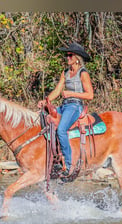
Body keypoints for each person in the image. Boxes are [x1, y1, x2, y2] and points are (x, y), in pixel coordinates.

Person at [38, 42, 94, 176]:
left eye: (70, 55)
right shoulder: (66, 72)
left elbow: (90, 95)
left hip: (75, 106)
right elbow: (57, 90)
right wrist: (46, 101)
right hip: (64, 106)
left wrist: (71, 94)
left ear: (77, 58)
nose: (67, 58)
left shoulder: (83, 73)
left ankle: (69, 165)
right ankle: (53, 158)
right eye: (66, 55)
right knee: (44, 120)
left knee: (62, 129)